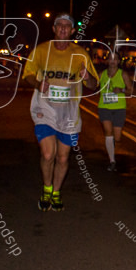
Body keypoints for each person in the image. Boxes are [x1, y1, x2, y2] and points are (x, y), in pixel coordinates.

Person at [23, 13, 97, 211]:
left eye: (67, 26)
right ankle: (46, 189)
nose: (63, 28)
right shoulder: (41, 51)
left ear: (73, 31)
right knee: (48, 154)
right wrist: (39, 84)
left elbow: (93, 83)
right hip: (44, 109)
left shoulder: (80, 53)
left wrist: (87, 77)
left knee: (63, 157)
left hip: (69, 113)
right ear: (54, 29)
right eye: (59, 25)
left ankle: (56, 192)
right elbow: (27, 74)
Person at [97, 49, 133, 172]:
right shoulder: (102, 74)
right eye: (110, 59)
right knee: (108, 131)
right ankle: (112, 160)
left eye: (115, 59)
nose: (112, 61)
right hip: (104, 107)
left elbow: (130, 91)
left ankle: (112, 147)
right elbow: (93, 85)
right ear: (107, 61)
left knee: (117, 137)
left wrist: (121, 90)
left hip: (119, 108)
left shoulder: (123, 74)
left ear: (118, 61)